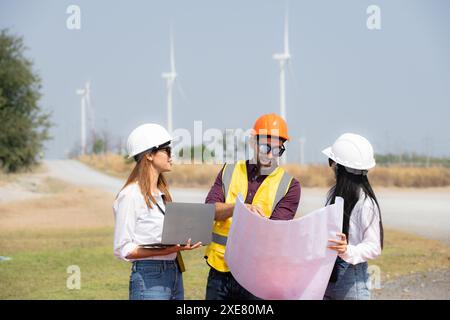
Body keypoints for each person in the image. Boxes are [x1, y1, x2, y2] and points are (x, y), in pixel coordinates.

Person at [204, 113, 301, 300]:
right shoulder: (229, 171)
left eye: (277, 150)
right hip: (220, 271)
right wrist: (238, 208)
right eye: (266, 147)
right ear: (252, 143)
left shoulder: (290, 185)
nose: (271, 155)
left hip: (257, 278)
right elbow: (209, 211)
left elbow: (276, 234)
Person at [113, 123, 202, 300]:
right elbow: (124, 249)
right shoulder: (130, 195)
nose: (171, 155)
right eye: (167, 150)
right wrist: (166, 250)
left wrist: (181, 243)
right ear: (149, 155)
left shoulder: (162, 194)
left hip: (174, 272)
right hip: (149, 276)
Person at [322, 133, 384, 300]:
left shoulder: (365, 204)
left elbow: (374, 246)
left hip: (351, 280)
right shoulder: (335, 196)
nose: (332, 167)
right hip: (328, 274)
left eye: (332, 162)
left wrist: (346, 250)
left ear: (341, 167)